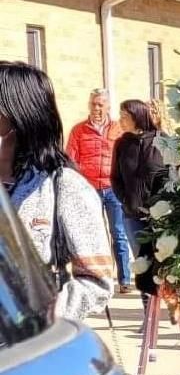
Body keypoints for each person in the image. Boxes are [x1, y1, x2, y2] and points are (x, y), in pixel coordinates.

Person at [0, 61, 112, 322]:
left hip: (25, 347)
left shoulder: (63, 185)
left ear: (18, 111)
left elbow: (98, 283)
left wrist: (42, 315)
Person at [65, 86, 130, 291]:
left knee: (118, 233)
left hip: (113, 189)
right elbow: (70, 160)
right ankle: (99, 279)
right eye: (93, 104)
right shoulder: (79, 130)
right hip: (89, 191)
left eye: (100, 104)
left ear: (108, 106)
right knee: (93, 235)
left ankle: (125, 280)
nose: (96, 108)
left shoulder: (119, 129)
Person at [110, 99, 167, 292]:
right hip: (133, 216)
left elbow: (171, 176)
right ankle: (148, 318)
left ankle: (172, 305)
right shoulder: (121, 145)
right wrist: (126, 201)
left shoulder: (162, 141)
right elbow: (115, 178)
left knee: (162, 266)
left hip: (160, 217)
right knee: (143, 267)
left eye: (125, 117)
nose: (120, 120)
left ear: (137, 117)